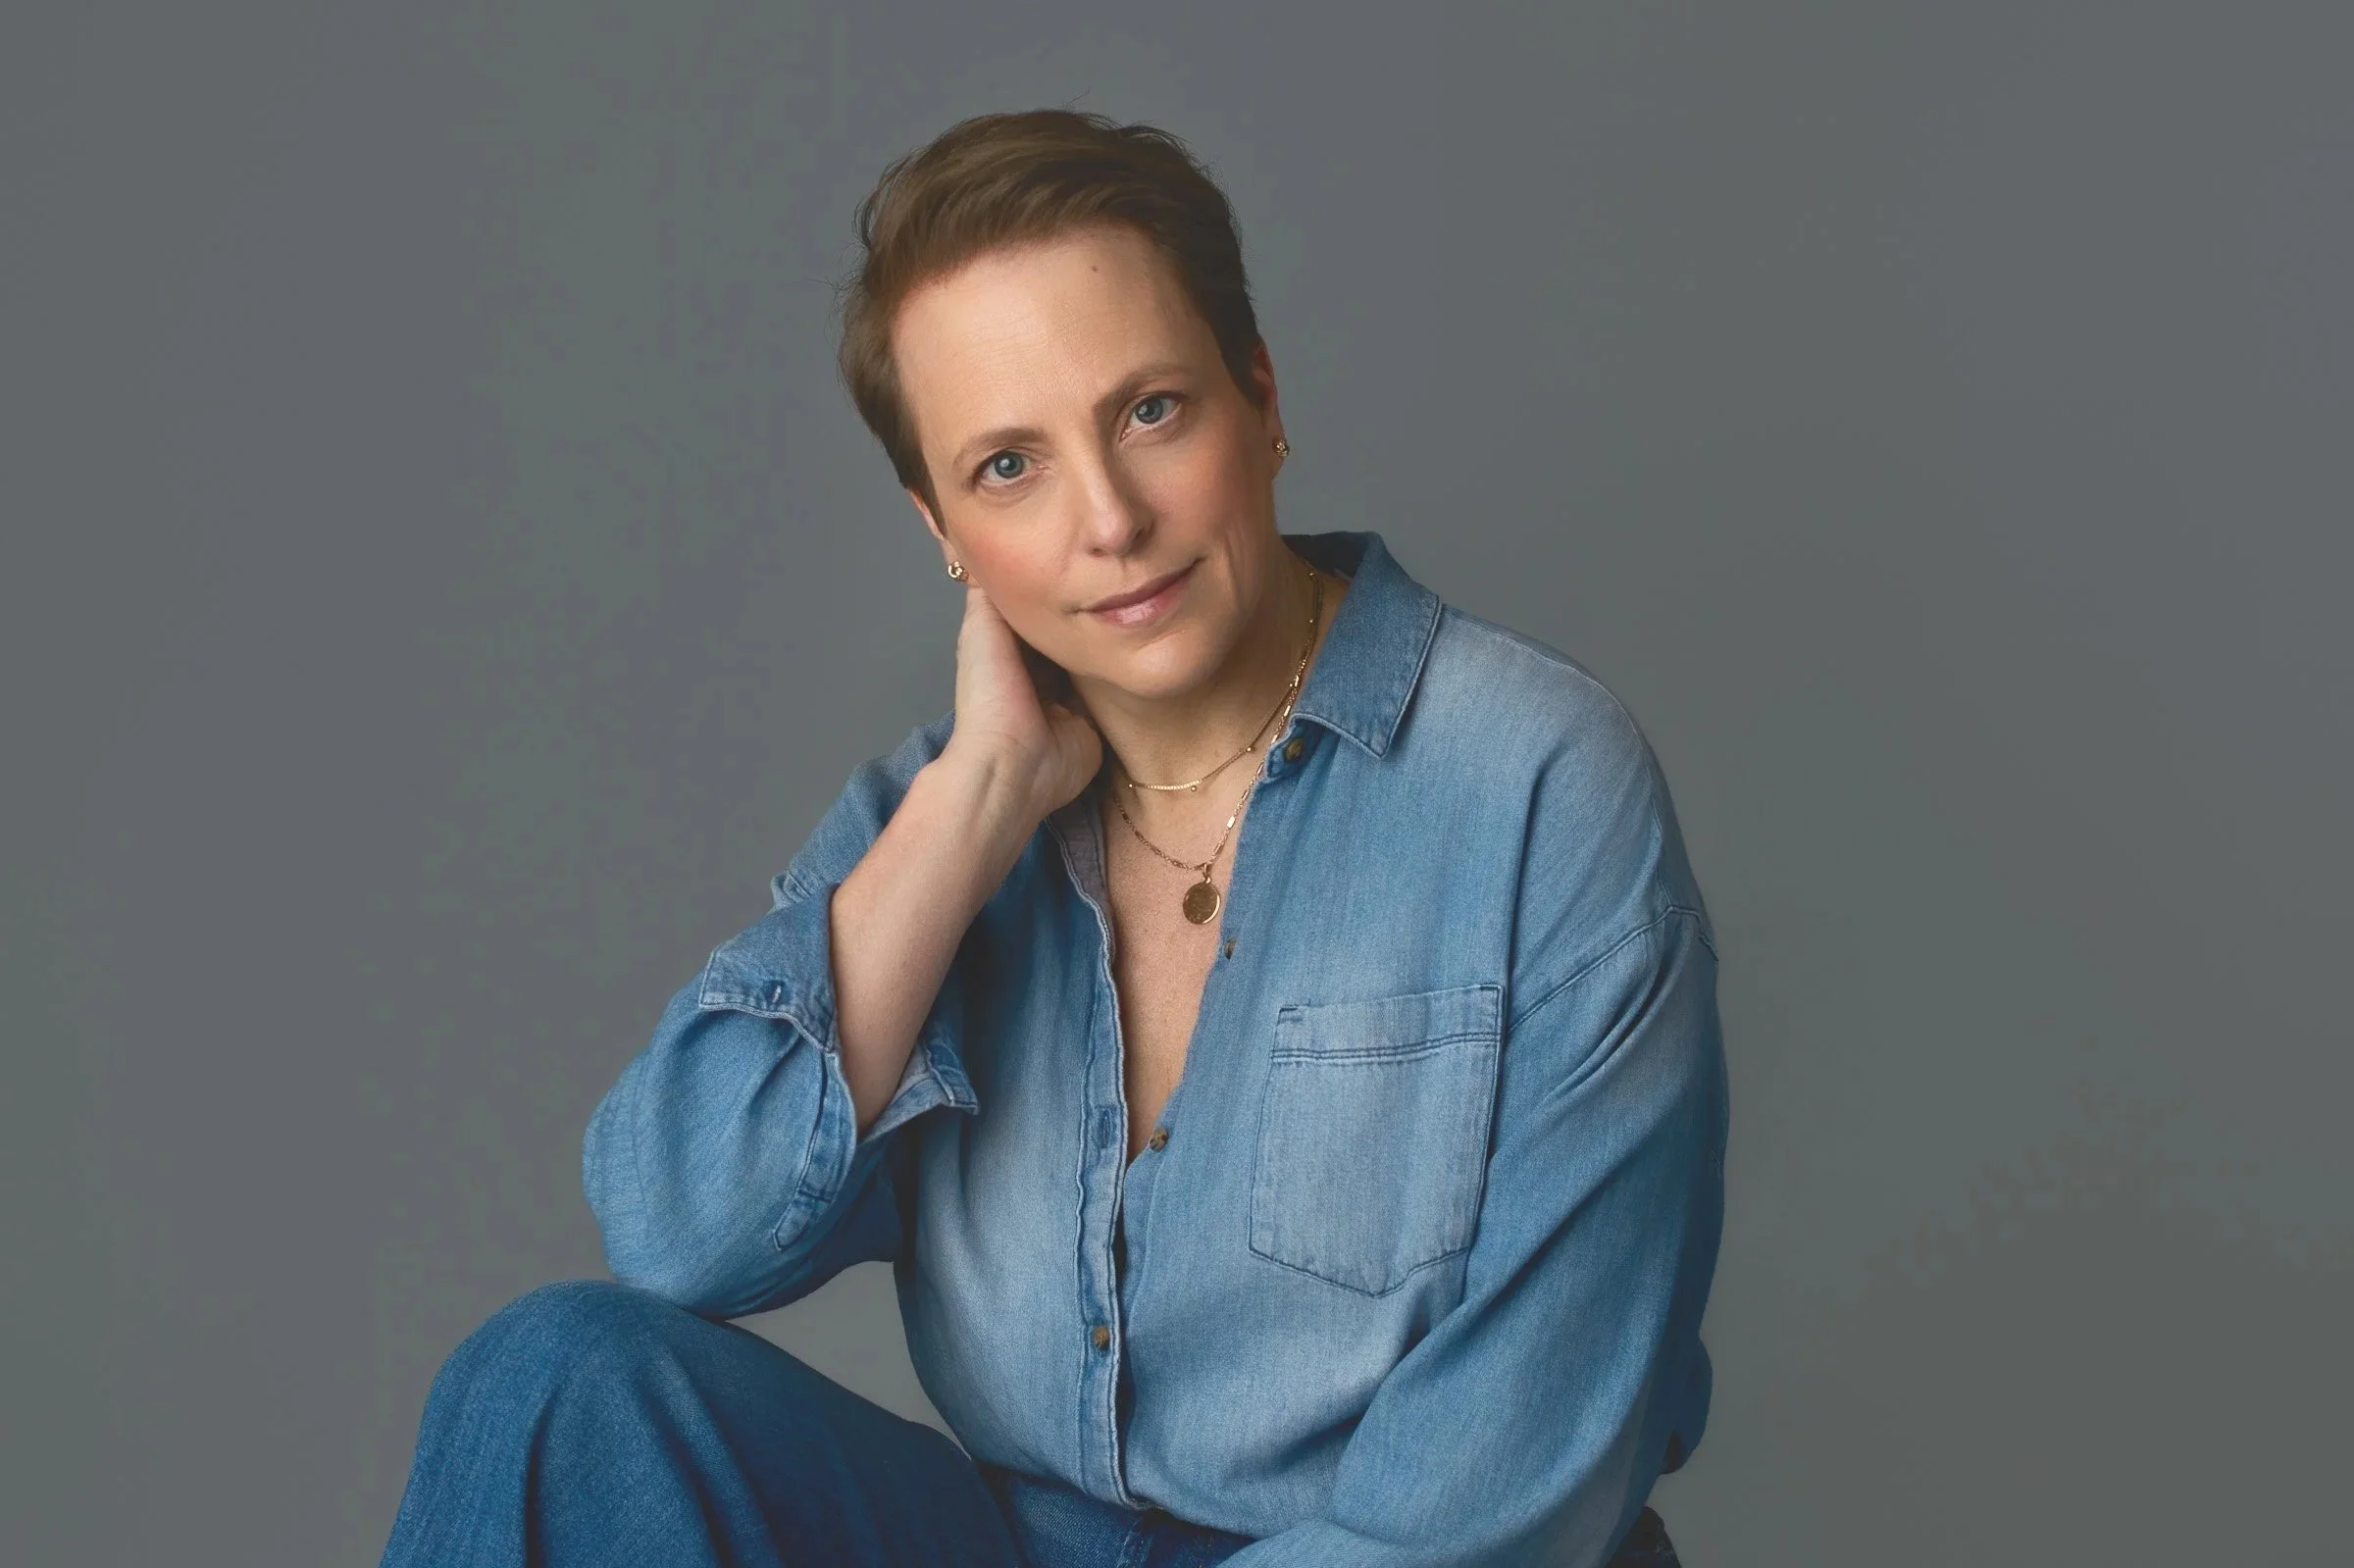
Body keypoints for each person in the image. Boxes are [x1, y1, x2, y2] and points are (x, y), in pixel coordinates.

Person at [380, 108, 1725, 1568]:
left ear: (1260, 395)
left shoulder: (1532, 784)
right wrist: (975, 807)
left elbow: (1507, 1492)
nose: (1110, 521)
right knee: (556, 1384)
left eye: (1150, 411)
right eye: (1008, 467)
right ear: (943, 529)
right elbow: (679, 1226)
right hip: (1032, 1544)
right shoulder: (944, 814)